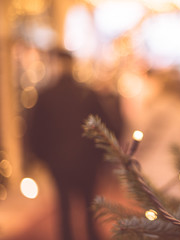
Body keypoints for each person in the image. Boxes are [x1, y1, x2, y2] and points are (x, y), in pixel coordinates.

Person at [25, 48, 122, 240]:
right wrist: (100, 156)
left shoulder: (46, 95)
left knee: (64, 208)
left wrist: (42, 158)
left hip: (58, 163)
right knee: (89, 206)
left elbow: (33, 132)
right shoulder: (87, 93)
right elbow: (109, 127)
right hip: (86, 162)